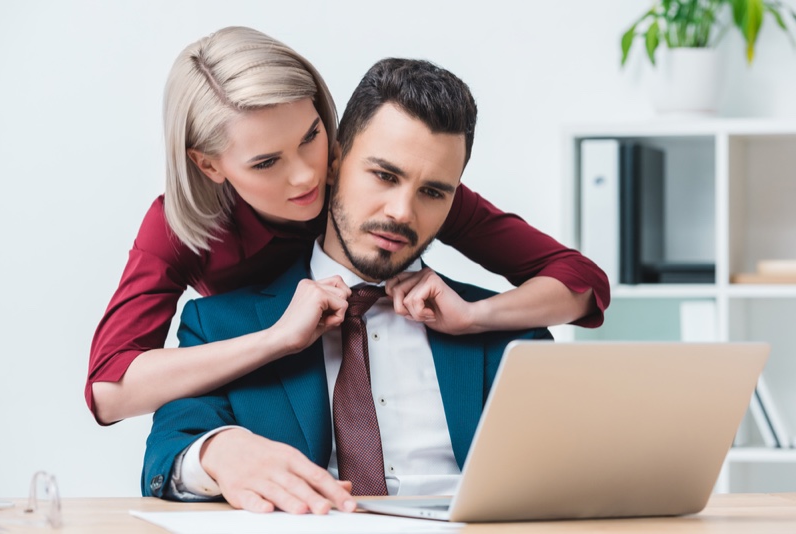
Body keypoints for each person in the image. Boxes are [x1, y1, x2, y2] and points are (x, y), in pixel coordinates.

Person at [88, 26, 609, 425]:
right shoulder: (181, 227)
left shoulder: (385, 183)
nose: (307, 174)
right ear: (209, 166)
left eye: (312, 136)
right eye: (266, 163)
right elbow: (110, 393)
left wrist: (473, 316)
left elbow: (582, 283)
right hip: (266, 397)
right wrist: (274, 339)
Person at [143, 57, 552, 514]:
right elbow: (165, 456)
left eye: (433, 192)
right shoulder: (222, 324)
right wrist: (220, 451)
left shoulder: (512, 334)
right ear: (333, 164)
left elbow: (574, 470)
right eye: (384, 175)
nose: (402, 211)